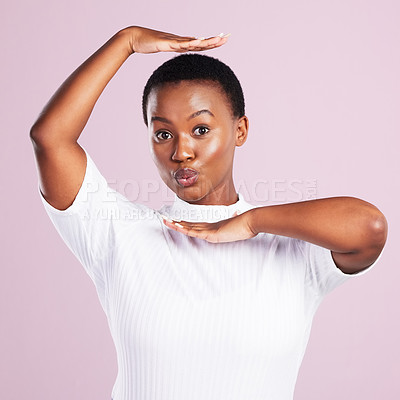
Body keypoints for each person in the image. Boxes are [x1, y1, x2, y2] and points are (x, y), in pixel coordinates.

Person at [30, 26, 388, 400]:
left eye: (200, 129)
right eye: (163, 134)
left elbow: (369, 226)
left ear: (240, 130)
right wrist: (128, 41)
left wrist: (250, 222)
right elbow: (50, 138)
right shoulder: (121, 234)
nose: (181, 152)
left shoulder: (292, 248)